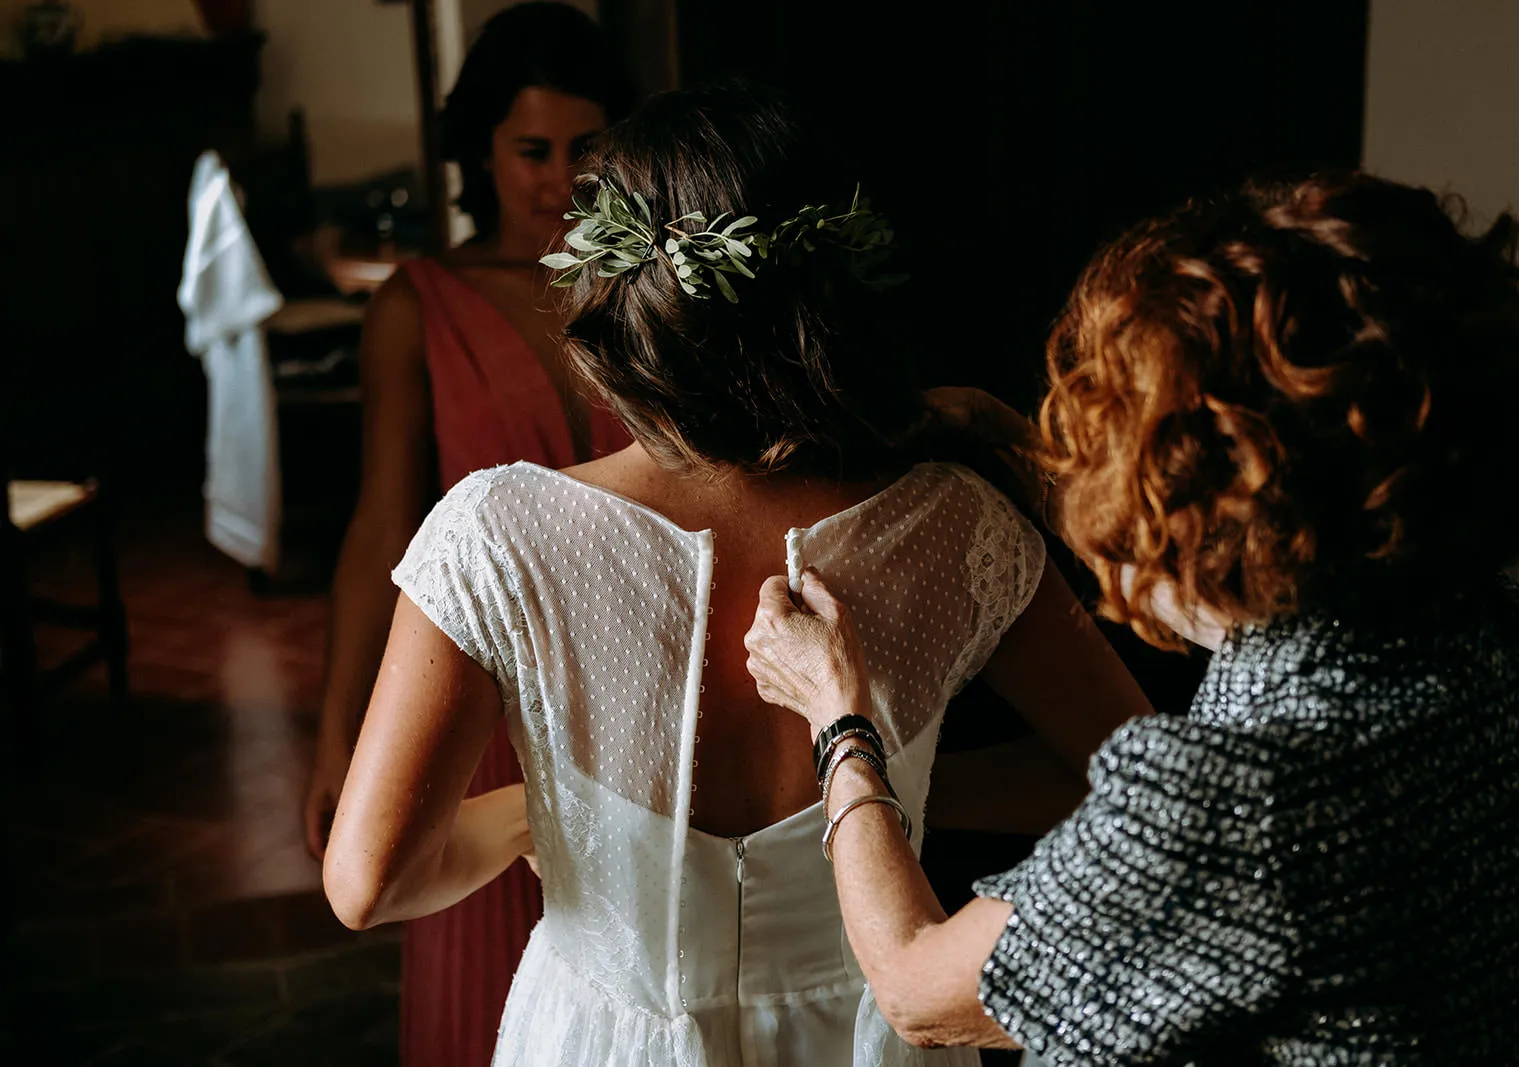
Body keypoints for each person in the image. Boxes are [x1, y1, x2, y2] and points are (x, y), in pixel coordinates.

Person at [322, 81, 1154, 1066]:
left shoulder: (501, 534)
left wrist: (523, 815)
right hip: (875, 1033)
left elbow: (369, 881)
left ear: (609, 303)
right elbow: (1136, 788)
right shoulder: (955, 523)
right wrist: (876, 789)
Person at [744, 172, 1519, 1065]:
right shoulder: (1499, 632)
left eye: (1122, 459)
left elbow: (918, 988)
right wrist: (1023, 450)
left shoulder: (1242, 803)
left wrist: (841, 719)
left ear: (1213, 514)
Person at [300, 6, 636, 1065]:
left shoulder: (649, 288)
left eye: (585, 148)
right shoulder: (418, 306)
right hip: (479, 706)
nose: (558, 180)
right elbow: (380, 530)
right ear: (481, 155)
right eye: (530, 150)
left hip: (646, 693)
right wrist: (339, 729)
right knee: (481, 999)